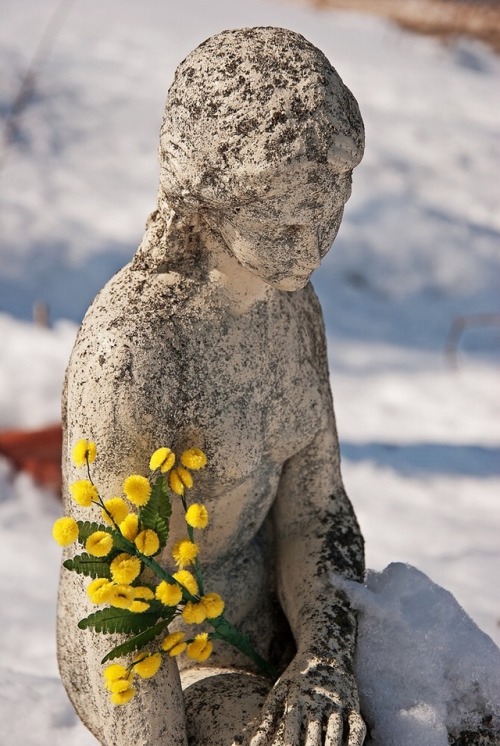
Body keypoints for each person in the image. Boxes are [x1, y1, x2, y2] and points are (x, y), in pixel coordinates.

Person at [58, 27, 366, 745]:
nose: (312, 245)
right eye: (283, 220)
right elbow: (103, 586)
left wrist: (325, 657)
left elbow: (314, 510)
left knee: (470, 715)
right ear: (203, 196)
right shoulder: (135, 348)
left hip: (294, 636)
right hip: (179, 658)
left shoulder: (292, 304)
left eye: (330, 211)